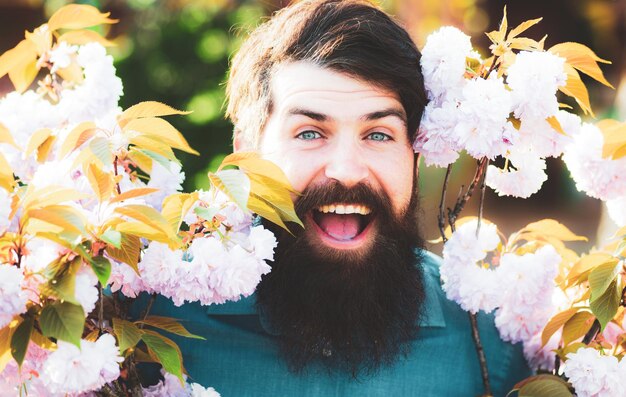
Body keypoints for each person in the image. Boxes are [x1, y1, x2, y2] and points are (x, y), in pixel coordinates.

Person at [143, 0, 531, 395]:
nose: (346, 169)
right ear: (247, 155)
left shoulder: (489, 340)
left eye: (379, 134)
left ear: (416, 158)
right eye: (309, 133)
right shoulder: (148, 321)